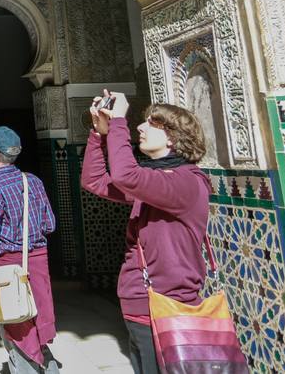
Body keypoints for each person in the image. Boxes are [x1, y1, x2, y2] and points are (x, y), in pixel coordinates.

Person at [81, 90, 211, 374]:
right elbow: (94, 181)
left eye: (152, 123)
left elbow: (126, 175)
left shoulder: (185, 183)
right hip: (140, 306)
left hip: (167, 304)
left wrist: (118, 122)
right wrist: (99, 133)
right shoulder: (155, 181)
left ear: (173, 138)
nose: (140, 127)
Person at [0, 126, 59, 374]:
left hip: (9, 265)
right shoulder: (33, 181)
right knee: (37, 319)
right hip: (38, 261)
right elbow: (50, 224)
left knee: (16, 325)